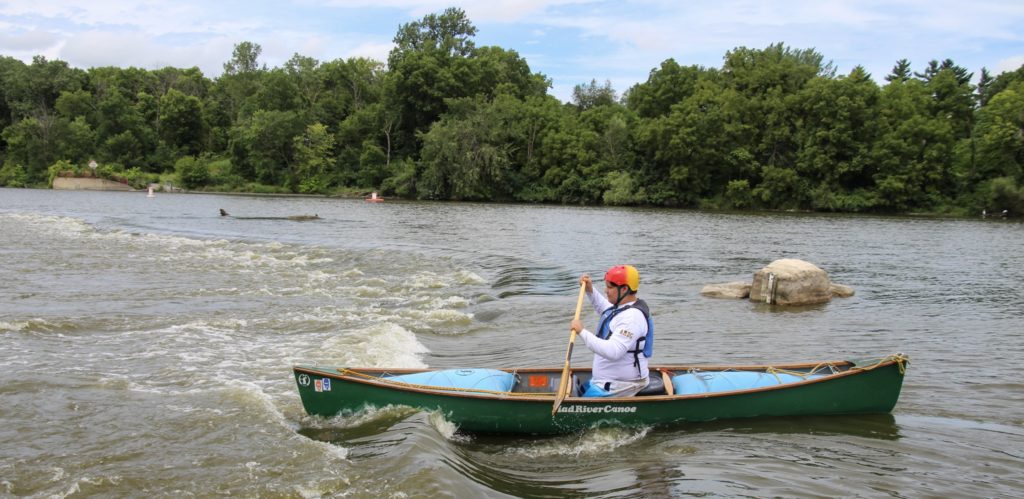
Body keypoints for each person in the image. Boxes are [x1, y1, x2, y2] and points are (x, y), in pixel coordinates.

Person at [569, 265, 653, 397]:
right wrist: (590, 290)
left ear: (624, 289)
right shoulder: (622, 308)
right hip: (606, 382)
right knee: (580, 389)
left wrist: (582, 332)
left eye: (610, 287)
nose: (606, 291)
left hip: (622, 385)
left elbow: (613, 351)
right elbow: (604, 308)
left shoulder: (632, 318)